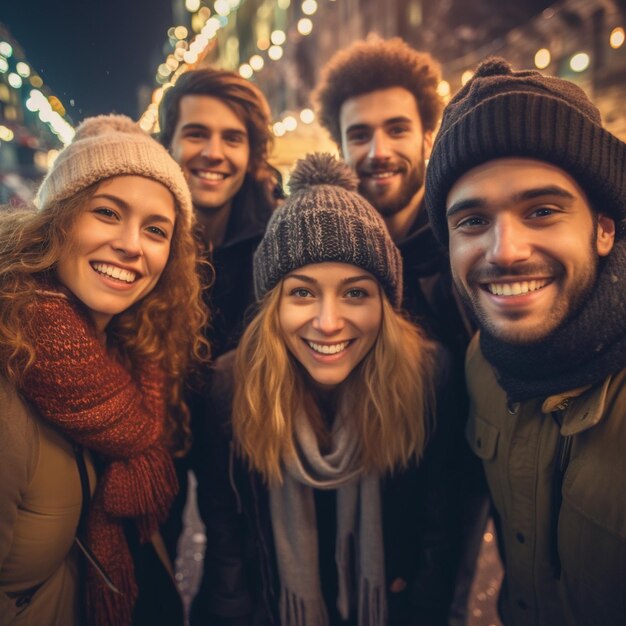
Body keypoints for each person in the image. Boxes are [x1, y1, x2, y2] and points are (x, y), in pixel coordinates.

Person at [190, 153, 459, 625]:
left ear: (385, 303)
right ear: (272, 305)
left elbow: (439, 531)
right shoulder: (231, 387)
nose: (329, 323)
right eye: (302, 292)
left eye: (355, 292)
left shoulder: (428, 377)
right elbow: (226, 536)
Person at [425, 57, 626, 626]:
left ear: (604, 227)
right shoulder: (481, 364)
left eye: (541, 211)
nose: (505, 250)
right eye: (471, 222)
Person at [0, 115, 208, 626]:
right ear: (59, 219)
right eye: (108, 213)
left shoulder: (123, 358)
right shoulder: (12, 362)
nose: (132, 244)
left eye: (155, 230)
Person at [314, 36, 486, 623]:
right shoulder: (328, 256)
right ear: (338, 145)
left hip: (459, 494)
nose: (378, 150)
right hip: (356, 495)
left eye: (396, 129)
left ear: (426, 135)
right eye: (359, 134)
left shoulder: (464, 250)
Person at [158, 68, 279, 559]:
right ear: (167, 143)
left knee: (239, 570)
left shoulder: (280, 235)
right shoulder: (138, 230)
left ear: (252, 156)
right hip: (154, 431)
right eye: (196, 134)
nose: (213, 152)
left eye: (233, 138)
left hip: (243, 440)